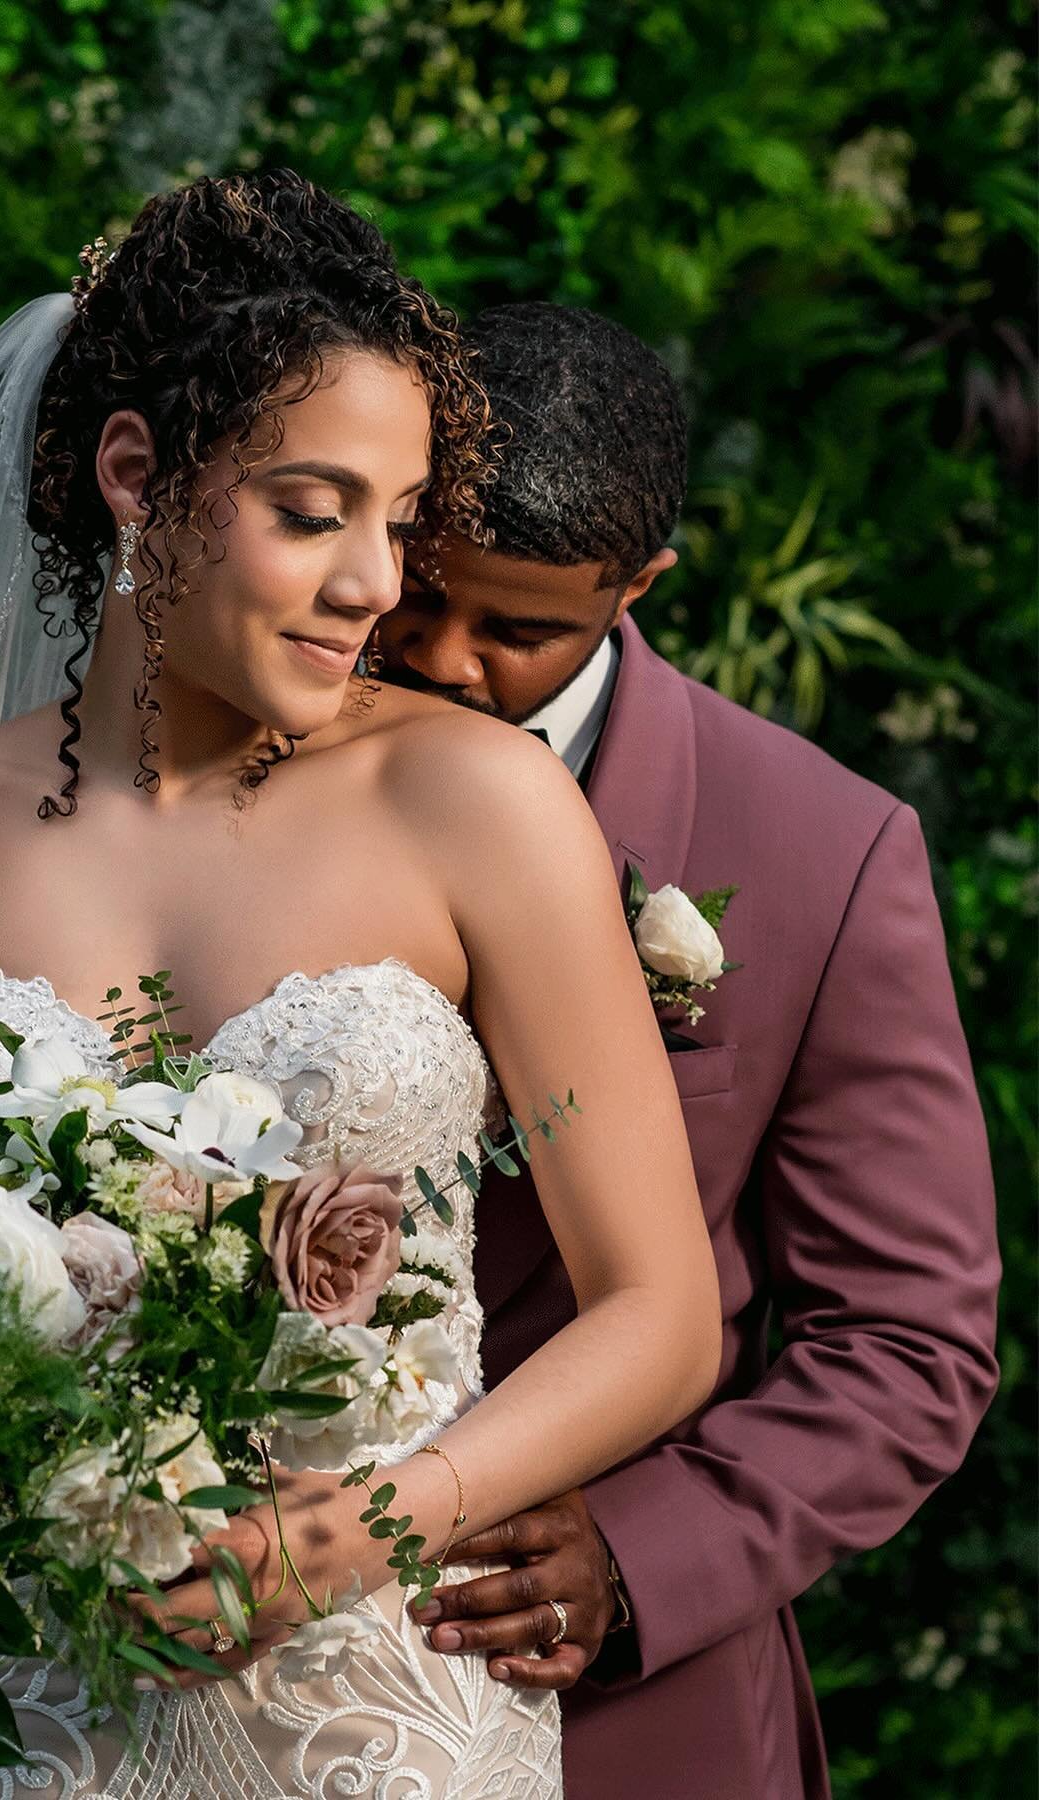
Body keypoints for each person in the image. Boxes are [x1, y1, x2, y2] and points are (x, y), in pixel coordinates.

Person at [0, 176, 722, 1797]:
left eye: (399, 515)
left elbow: (660, 1314)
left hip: (378, 1700)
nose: (378, 582)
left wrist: (373, 1523)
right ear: (137, 474)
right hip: (6, 1701)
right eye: (316, 511)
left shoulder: (481, 804)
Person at [378, 302, 1002, 1800]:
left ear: (638, 584)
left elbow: (909, 1340)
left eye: (518, 629)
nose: (446, 662)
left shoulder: (824, 852)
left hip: (617, 1713)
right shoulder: (231, 766)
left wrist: (647, 1557)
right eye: (420, 591)